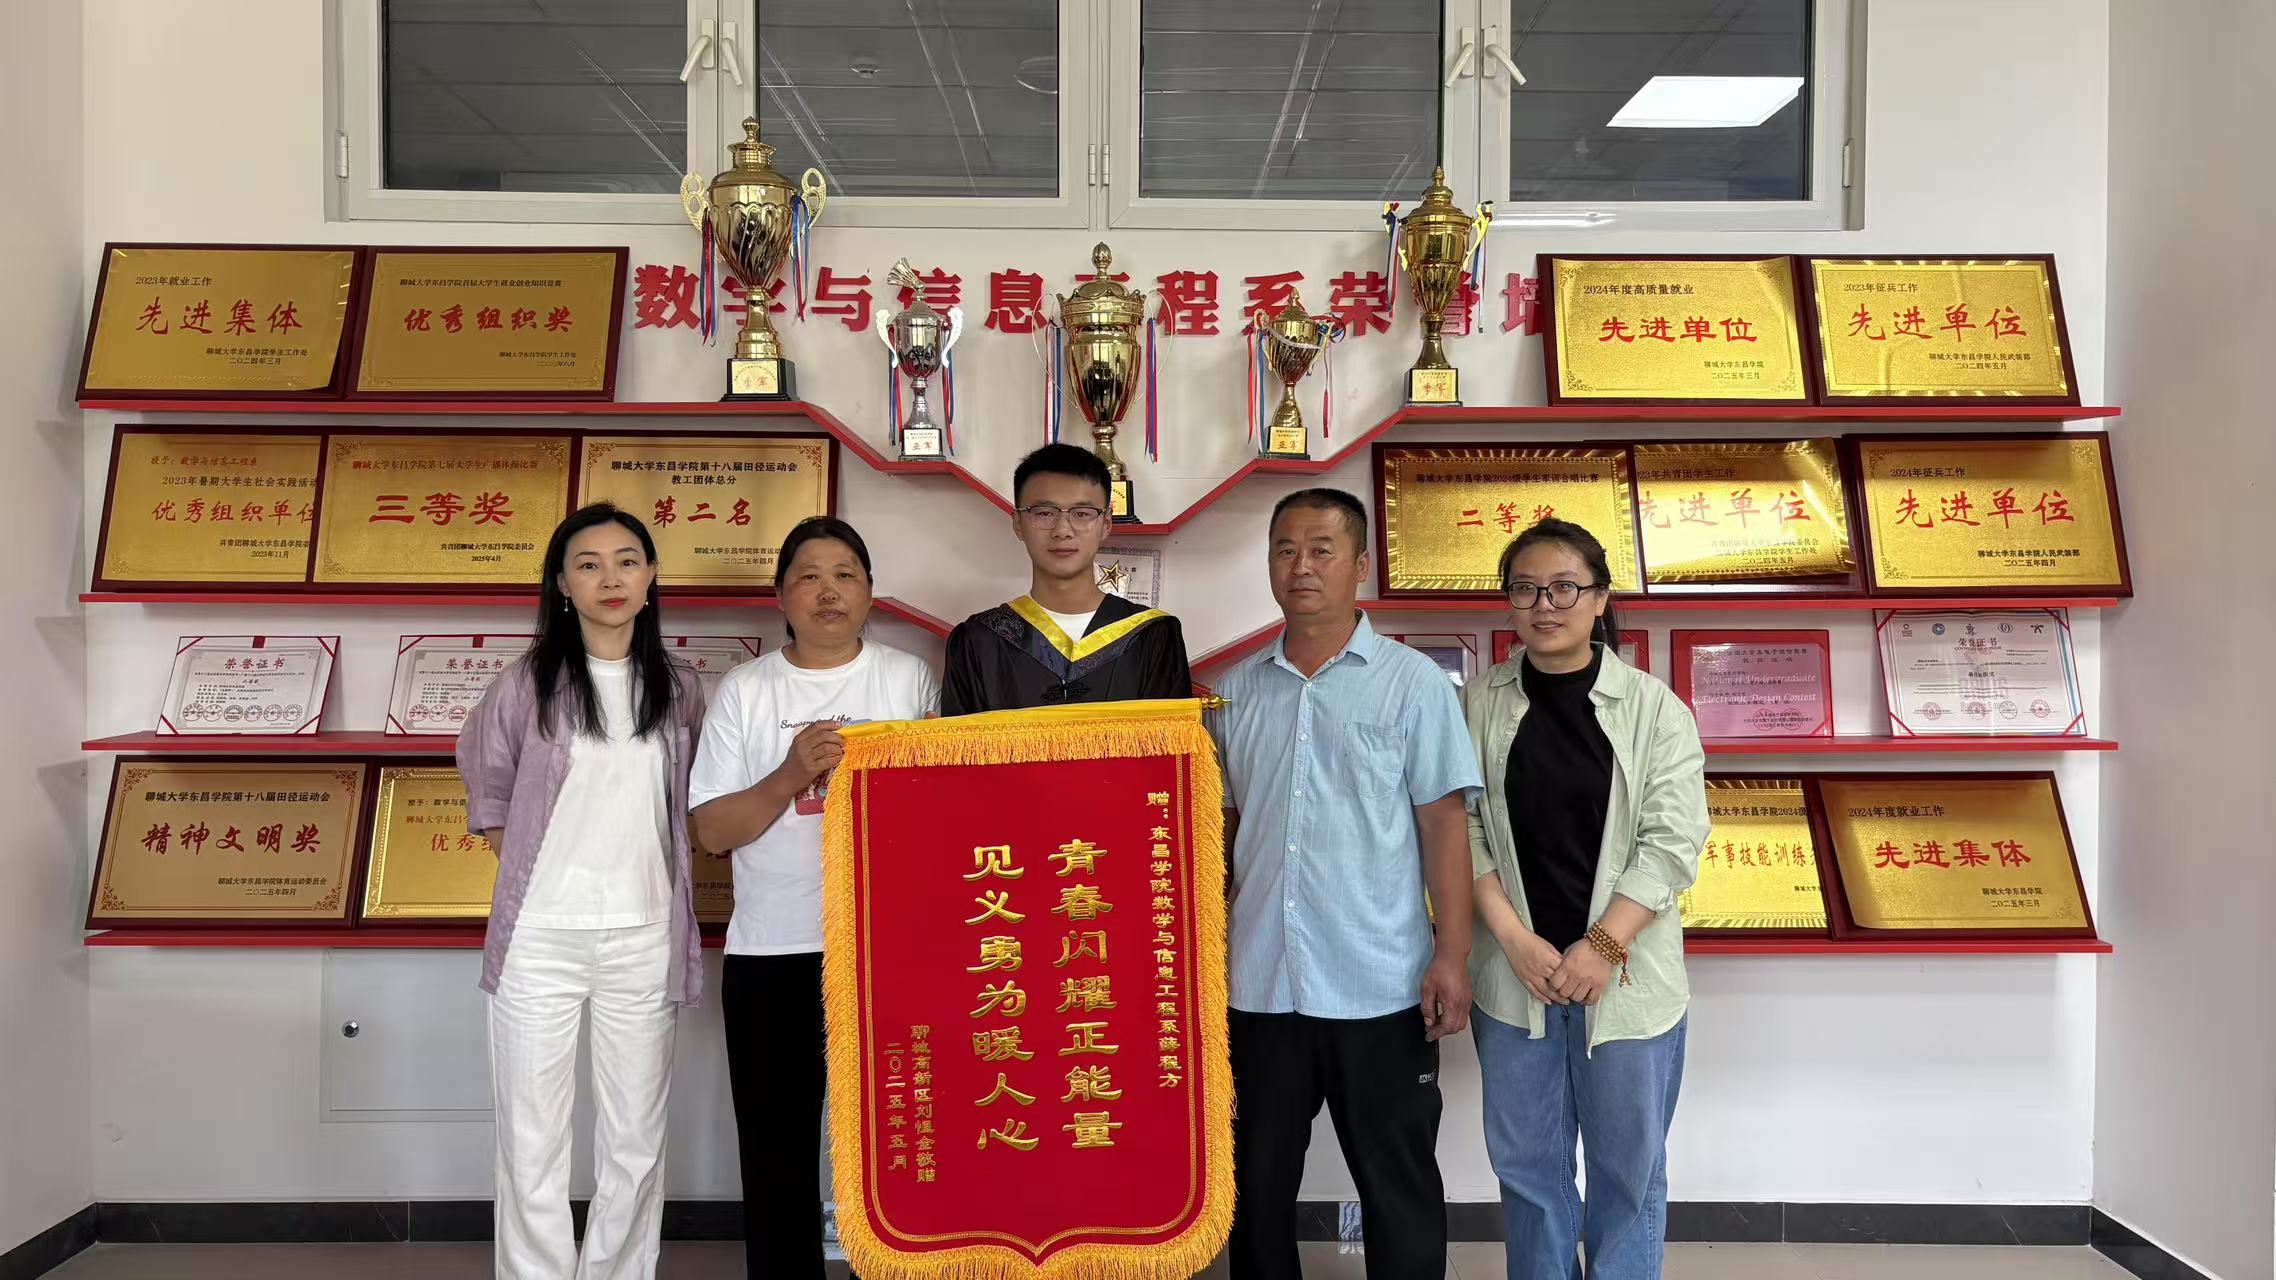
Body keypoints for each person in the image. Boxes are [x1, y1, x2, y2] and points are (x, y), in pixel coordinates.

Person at [1208, 488, 1483, 1280]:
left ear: (1360, 565)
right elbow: (1222, 835)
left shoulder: (1412, 684)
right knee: (1255, 1189)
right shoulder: (1233, 692)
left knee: (1398, 1185)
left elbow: (1442, 828)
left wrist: (1452, 956)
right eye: (1285, 549)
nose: (1302, 566)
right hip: (1260, 986)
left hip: (1380, 984)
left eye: (1322, 549)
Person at [457, 503, 708, 1280]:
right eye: (588, 564)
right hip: (541, 939)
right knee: (531, 1136)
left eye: (627, 561)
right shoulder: (524, 685)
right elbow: (491, 797)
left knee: (635, 1136)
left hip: (645, 936)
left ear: (651, 576)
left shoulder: (680, 687)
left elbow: (697, 802)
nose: (610, 578)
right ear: (562, 584)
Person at [688, 517, 938, 1280]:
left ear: (870, 592)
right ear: (780, 597)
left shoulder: (909, 680)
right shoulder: (747, 690)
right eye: (808, 576)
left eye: (845, 575)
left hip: (890, 953)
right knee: (776, 1155)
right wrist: (791, 774)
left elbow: (944, 815)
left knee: (901, 1149)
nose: (828, 591)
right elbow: (712, 831)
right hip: (775, 950)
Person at [1464, 519, 1709, 1280]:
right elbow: (1459, 830)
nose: (1546, 605)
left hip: (1627, 983)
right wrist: (1513, 939)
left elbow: (1672, 842)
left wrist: (1601, 946)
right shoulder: (1476, 705)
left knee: (1627, 1174)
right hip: (1517, 979)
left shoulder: (1654, 709)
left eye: (1565, 588)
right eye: (1527, 589)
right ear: (1509, 602)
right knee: (1527, 1170)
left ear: (1601, 599)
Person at [940, 442, 1191, 714]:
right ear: (1018, 524)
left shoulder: (1153, 636)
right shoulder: (978, 641)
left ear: (1106, 524)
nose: (1063, 530)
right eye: (1044, 513)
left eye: (1082, 514)